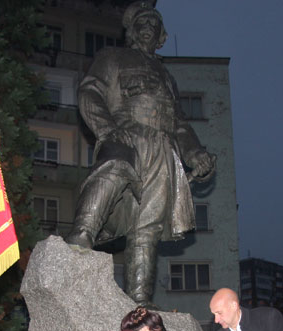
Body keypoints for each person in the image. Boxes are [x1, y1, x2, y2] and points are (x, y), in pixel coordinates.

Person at [64, 1, 216, 306]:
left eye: (154, 26)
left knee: (148, 225)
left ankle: (139, 300)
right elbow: (90, 91)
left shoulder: (167, 77)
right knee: (114, 170)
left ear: (161, 37)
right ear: (132, 31)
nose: (148, 28)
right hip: (125, 134)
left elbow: (180, 124)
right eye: (142, 23)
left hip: (163, 148)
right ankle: (81, 235)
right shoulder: (112, 57)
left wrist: (195, 154)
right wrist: (107, 129)